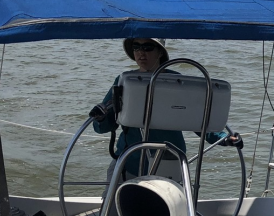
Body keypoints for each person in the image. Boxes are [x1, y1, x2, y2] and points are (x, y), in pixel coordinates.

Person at [90, 38, 240, 180]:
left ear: (160, 51)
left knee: (167, 207)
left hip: (170, 160)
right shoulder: (123, 80)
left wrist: (224, 138)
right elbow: (104, 125)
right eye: (136, 47)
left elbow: (196, 119)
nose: (141, 52)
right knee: (113, 206)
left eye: (147, 47)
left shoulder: (177, 81)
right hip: (128, 162)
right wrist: (100, 117)